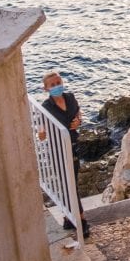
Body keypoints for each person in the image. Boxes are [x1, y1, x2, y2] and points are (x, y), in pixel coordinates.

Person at [40, 72, 90, 238]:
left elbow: (78, 114)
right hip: (58, 150)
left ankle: (69, 219)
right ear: (46, 88)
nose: (56, 86)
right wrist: (41, 133)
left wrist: (79, 121)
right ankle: (81, 221)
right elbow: (42, 129)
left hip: (74, 145)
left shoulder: (70, 97)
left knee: (71, 184)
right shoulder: (46, 107)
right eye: (52, 85)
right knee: (69, 185)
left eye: (58, 82)